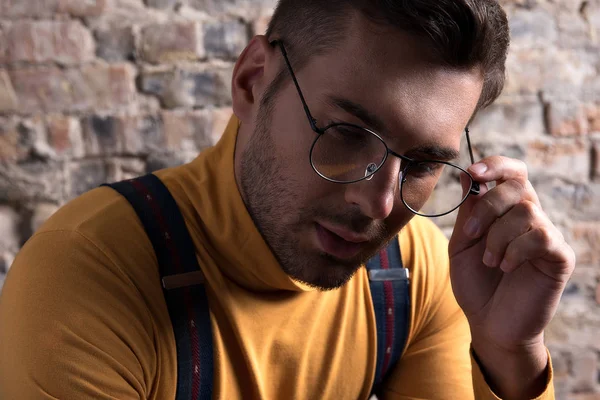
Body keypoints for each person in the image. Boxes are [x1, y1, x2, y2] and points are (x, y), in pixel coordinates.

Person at [0, 0, 575, 399]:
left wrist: (510, 356)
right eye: (347, 134)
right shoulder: (91, 272)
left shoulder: (414, 270)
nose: (378, 205)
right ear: (253, 82)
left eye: (423, 163)